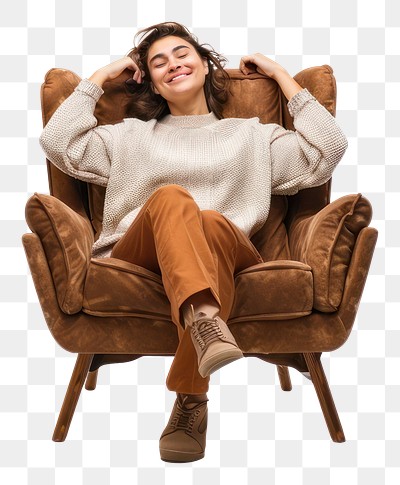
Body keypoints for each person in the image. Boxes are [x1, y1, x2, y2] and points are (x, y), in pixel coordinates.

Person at [39, 21, 348, 463]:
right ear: (150, 83)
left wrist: (283, 78)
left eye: (182, 54)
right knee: (171, 199)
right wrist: (100, 78)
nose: (173, 65)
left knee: (209, 221)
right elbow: (57, 141)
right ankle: (201, 341)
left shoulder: (253, 137)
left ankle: (192, 383)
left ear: (206, 65)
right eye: (157, 62)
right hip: (140, 258)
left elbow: (329, 149)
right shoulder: (128, 136)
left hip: (224, 249)